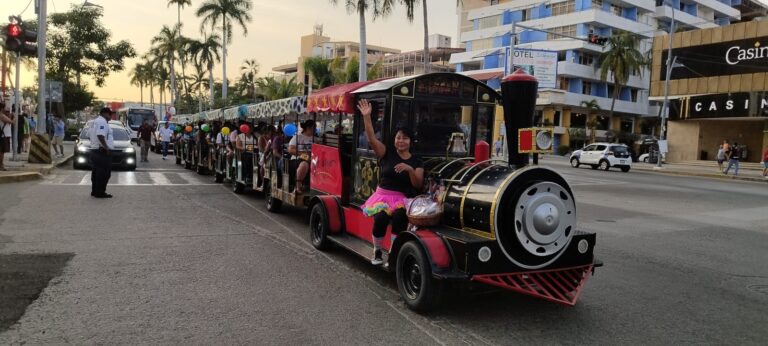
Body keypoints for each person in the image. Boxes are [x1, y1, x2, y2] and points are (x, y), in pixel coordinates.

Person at [357, 99, 424, 265]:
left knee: (401, 217)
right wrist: (367, 117)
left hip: (402, 198)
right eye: (398, 138)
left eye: (405, 138)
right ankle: (377, 251)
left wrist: (409, 169)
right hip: (383, 196)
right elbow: (371, 138)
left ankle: (394, 252)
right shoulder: (387, 152)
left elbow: (417, 184)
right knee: (380, 218)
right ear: (394, 140)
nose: (401, 141)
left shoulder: (417, 161)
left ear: (410, 141)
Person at [90, 108, 115, 198]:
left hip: (95, 150)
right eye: (110, 114)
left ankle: (95, 191)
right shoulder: (102, 122)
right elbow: (100, 135)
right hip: (101, 151)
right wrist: (106, 147)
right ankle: (100, 192)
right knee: (104, 173)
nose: (111, 116)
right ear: (104, 114)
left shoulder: (95, 121)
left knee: (96, 172)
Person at [288, 120, 315, 194]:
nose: (314, 130)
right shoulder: (297, 137)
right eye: (313, 128)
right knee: (304, 164)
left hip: (313, 159)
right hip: (297, 159)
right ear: (308, 128)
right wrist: (304, 155)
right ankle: (297, 186)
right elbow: (290, 150)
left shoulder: (315, 138)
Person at [0, 103, 14, 170]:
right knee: (2, 151)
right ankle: (1, 165)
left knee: (2, 151)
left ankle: (1, 164)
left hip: (4, 135)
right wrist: (15, 117)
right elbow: (11, 122)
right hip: (3, 135)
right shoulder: (1, 115)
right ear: (2, 108)